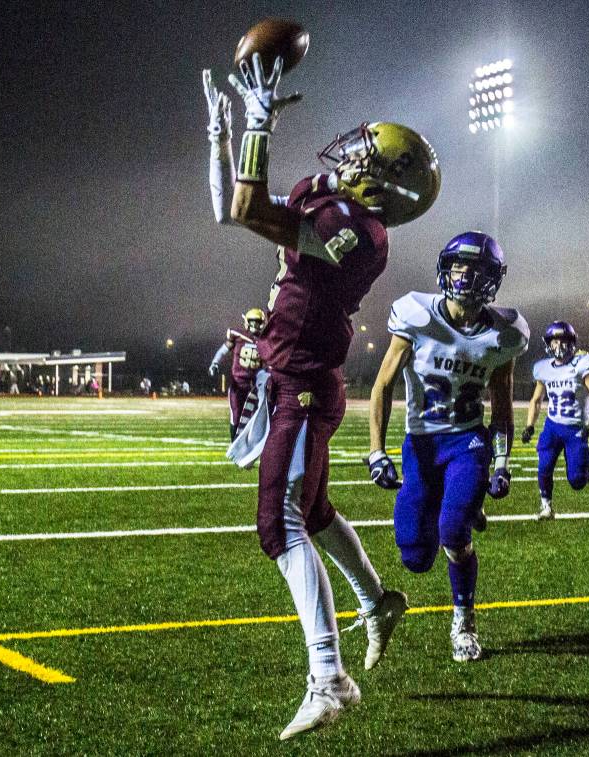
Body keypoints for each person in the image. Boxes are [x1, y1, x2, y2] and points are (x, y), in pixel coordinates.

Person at [213, 53, 442, 739]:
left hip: (306, 386)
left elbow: (250, 207)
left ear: (388, 182)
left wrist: (259, 121)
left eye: (369, 152)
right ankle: (376, 602)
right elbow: (235, 207)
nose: (352, 152)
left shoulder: (361, 231)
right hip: (294, 377)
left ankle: (329, 676)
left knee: (276, 522)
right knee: (309, 511)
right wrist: (221, 137)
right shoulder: (331, 200)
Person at [368, 231, 528, 663]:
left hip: (467, 440)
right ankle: (460, 501)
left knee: (452, 532)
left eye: (476, 270)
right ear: (445, 268)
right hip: (420, 443)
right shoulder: (417, 315)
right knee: (416, 556)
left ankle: (464, 619)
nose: (465, 276)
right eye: (459, 266)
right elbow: (383, 384)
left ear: (492, 278)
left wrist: (501, 462)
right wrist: (377, 451)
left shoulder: (503, 333)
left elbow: (501, 406)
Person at [522, 321, 589, 519]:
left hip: (576, 428)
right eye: (554, 342)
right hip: (552, 426)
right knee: (544, 466)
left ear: (572, 343)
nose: (558, 346)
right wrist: (529, 426)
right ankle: (546, 507)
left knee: (577, 481)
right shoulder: (543, 368)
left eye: (563, 341)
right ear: (548, 344)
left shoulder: (581, 365)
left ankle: (582, 470)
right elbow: (536, 400)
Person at [210, 308, 267, 440]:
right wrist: (215, 363)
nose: (254, 325)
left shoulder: (265, 340)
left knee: (255, 416)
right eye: (252, 322)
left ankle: (250, 444)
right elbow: (223, 350)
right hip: (238, 383)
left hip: (255, 386)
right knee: (236, 415)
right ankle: (234, 443)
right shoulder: (238, 335)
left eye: (257, 322)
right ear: (246, 322)